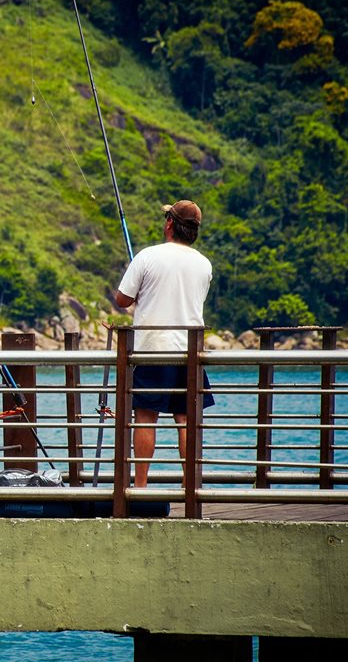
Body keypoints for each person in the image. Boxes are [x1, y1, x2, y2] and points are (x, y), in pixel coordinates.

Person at [114, 200, 216, 487]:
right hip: (190, 350)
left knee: (146, 417)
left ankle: (141, 486)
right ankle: (190, 486)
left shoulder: (147, 257)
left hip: (152, 348)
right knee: (185, 419)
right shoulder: (204, 264)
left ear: (169, 224)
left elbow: (122, 300)